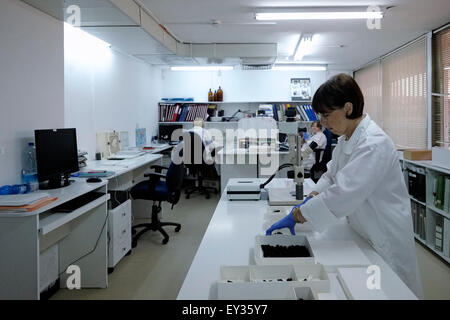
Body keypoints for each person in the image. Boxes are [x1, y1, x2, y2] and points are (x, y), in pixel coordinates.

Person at [266, 73, 424, 299]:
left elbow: (344, 192)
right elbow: (332, 176)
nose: (322, 122)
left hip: (384, 235)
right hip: (362, 228)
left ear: (348, 108)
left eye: (327, 114)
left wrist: (299, 215)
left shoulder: (373, 143)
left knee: (391, 291)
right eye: (320, 115)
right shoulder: (346, 139)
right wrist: (311, 195)